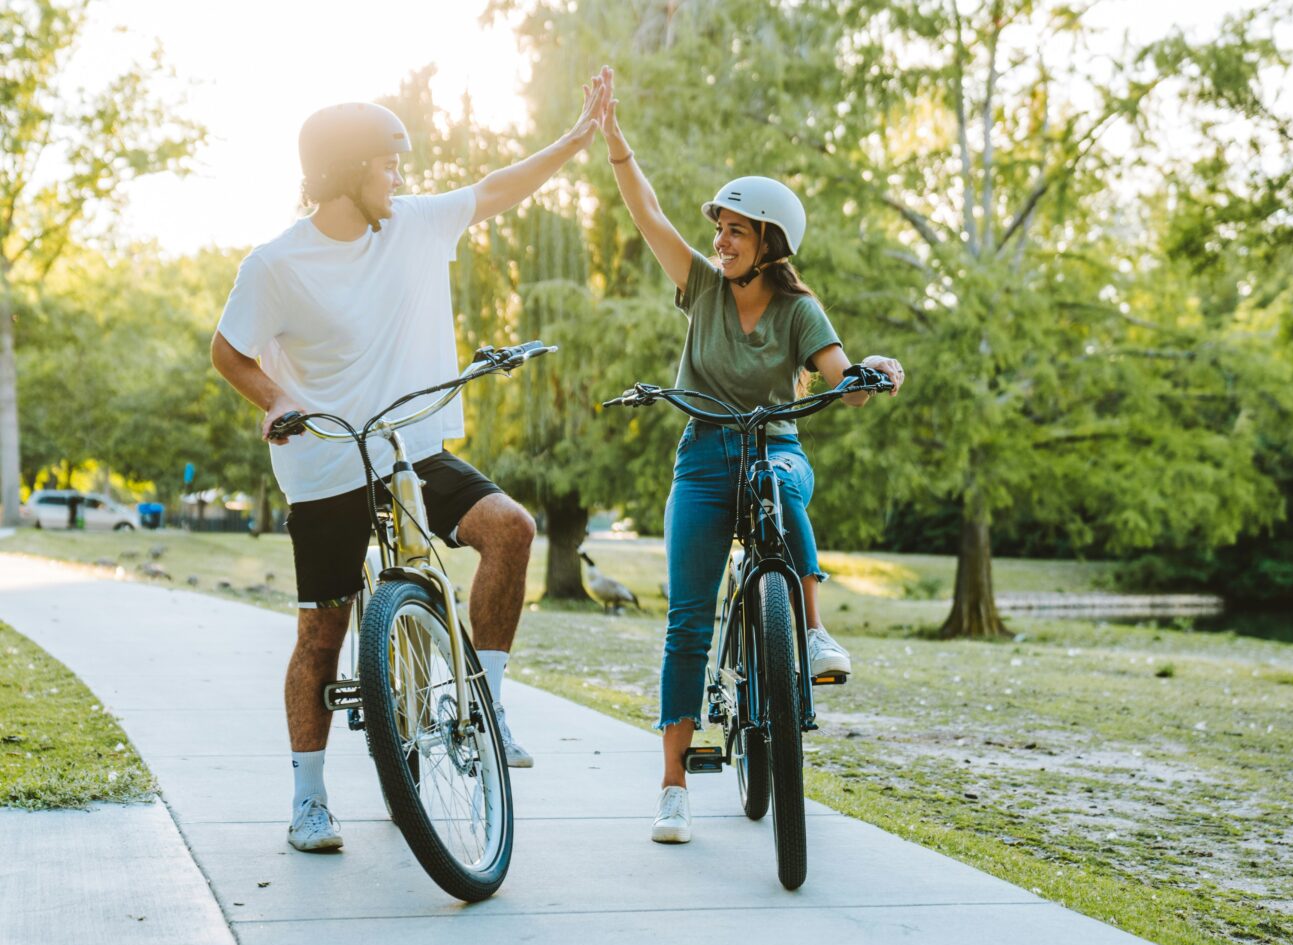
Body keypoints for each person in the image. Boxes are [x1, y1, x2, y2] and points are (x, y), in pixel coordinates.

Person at [211, 75, 610, 853]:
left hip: (412, 451)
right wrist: (273, 398)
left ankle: (483, 712)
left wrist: (572, 139)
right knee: (321, 637)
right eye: (388, 164)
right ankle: (308, 802)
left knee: (511, 529)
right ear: (346, 172)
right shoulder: (276, 266)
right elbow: (228, 350)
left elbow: (499, 187)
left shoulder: (415, 226)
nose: (400, 176)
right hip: (328, 466)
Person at [596, 67, 905, 844]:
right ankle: (673, 786)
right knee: (687, 623)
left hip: (775, 450)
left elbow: (844, 384)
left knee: (779, 478)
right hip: (702, 458)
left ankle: (813, 628)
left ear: (768, 242)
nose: (720, 240)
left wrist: (875, 372)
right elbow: (650, 216)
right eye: (720, 228)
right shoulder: (699, 286)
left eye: (736, 229)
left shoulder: (800, 309)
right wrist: (615, 145)